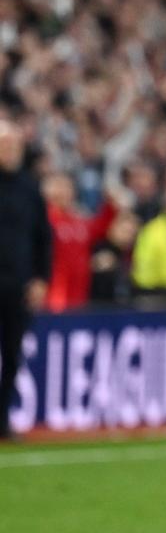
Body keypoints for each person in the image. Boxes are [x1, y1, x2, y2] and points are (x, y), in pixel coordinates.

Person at [0, 121, 51, 440]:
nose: (10, 151)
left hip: (17, 286)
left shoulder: (30, 188)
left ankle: (2, 419)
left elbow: (43, 238)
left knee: (13, 354)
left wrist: (40, 278)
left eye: (14, 145)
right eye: (5, 145)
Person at [43, 172, 120, 312]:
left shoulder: (79, 222)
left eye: (68, 187)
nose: (64, 192)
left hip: (80, 289)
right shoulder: (45, 219)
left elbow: (100, 228)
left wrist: (110, 205)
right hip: (55, 289)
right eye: (60, 187)